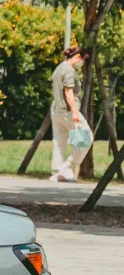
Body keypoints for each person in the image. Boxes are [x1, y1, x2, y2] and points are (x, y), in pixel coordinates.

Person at [51, 43, 89, 183]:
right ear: (78, 57)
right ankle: (69, 165)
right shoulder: (69, 70)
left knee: (59, 141)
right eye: (82, 60)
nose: (82, 63)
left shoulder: (59, 68)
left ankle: (57, 172)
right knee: (85, 138)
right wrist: (74, 111)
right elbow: (68, 91)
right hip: (68, 110)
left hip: (56, 110)